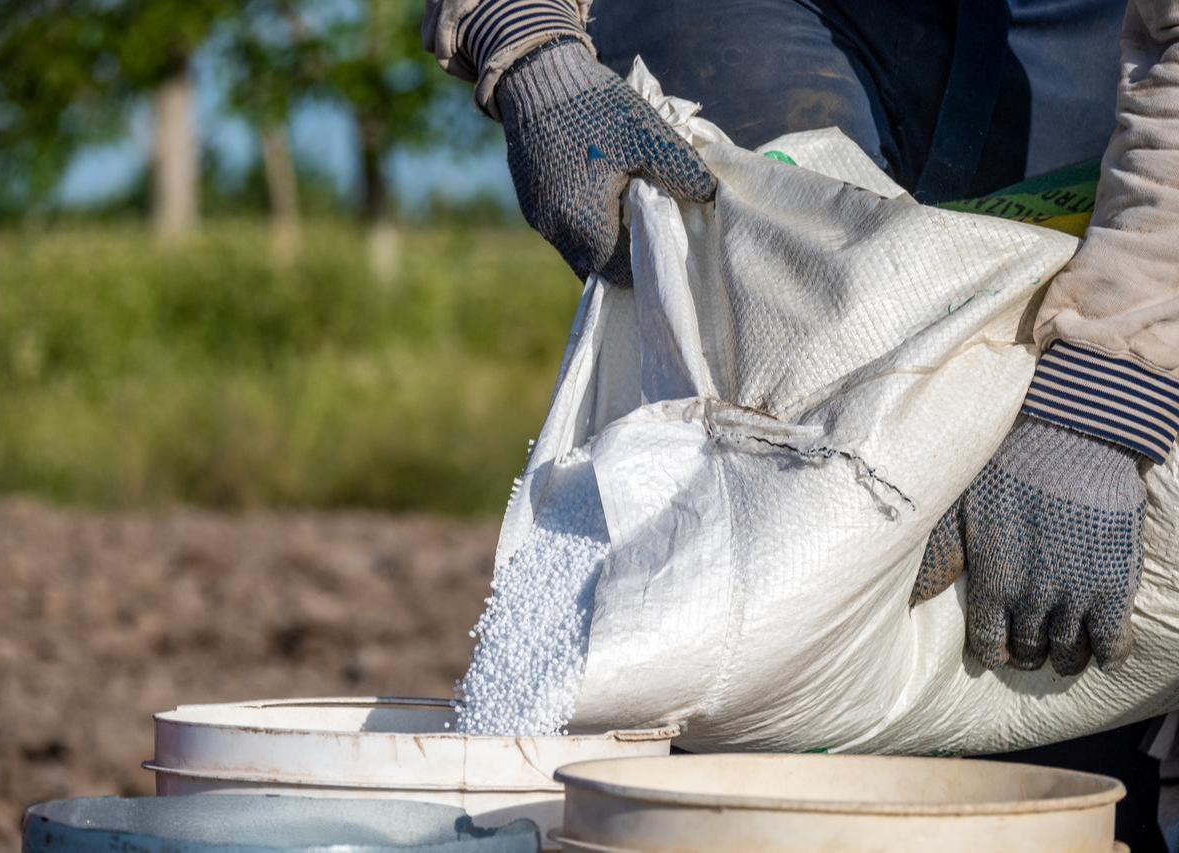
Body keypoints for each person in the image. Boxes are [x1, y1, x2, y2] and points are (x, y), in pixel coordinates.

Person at [422, 0, 1178, 847]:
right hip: (765, 18)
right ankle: (718, 789)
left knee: (1042, 650)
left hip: (1106, 46)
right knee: (765, 402)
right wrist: (528, 42)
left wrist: (1112, 380)